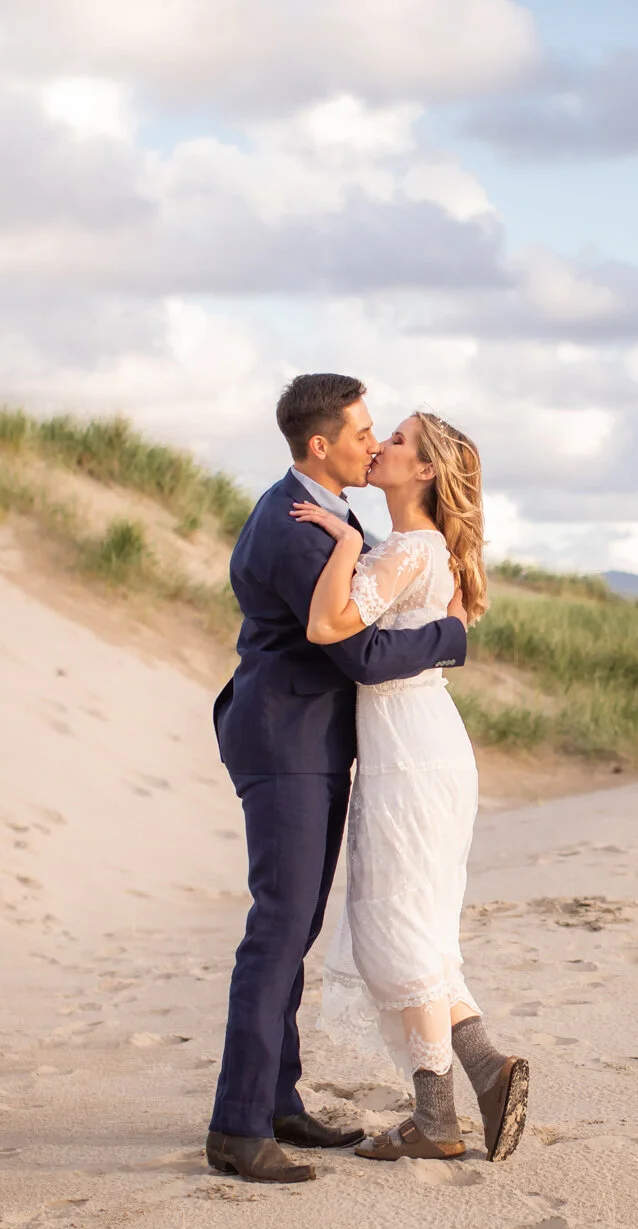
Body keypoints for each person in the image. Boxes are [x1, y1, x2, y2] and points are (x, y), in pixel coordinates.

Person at [204, 374, 471, 1185]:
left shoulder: (316, 510)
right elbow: (353, 651)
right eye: (361, 431)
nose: (371, 441)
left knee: (295, 927)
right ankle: (239, 1127)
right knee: (278, 930)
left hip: (302, 739)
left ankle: (276, 1099)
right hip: (287, 742)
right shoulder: (296, 527)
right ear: (320, 445)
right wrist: (450, 636)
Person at [291, 409, 529, 1163]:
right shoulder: (425, 552)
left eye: (396, 441)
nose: (381, 447)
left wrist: (351, 545)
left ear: (424, 470)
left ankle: (436, 1118)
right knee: (419, 927)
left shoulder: (405, 552)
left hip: (409, 753)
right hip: (425, 745)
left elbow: (330, 628)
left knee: (394, 930)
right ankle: (486, 1073)